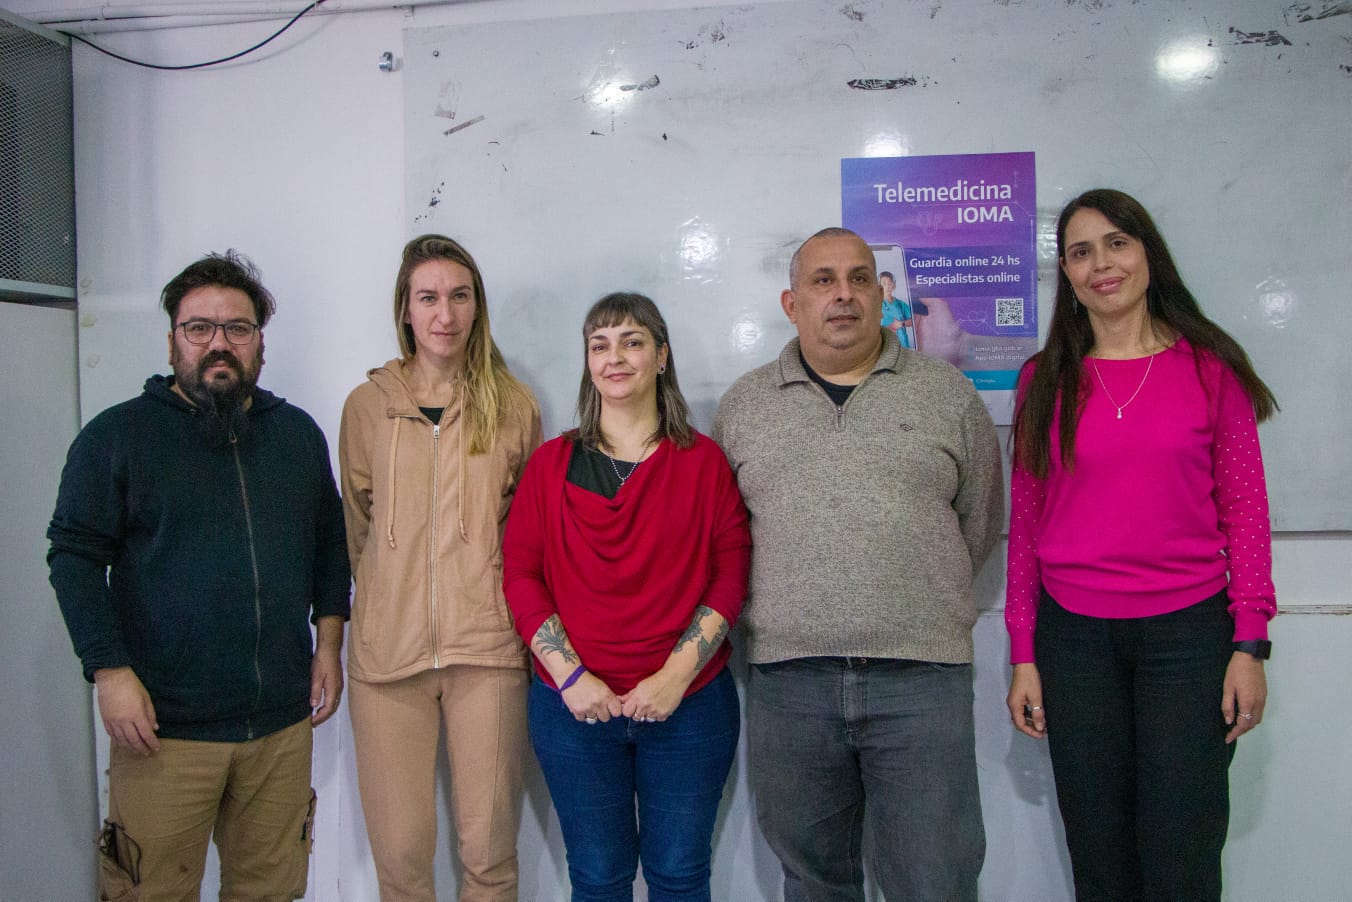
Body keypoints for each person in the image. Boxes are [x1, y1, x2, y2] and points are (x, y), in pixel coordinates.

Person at [47, 251, 351, 901]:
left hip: (279, 728)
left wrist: (329, 643)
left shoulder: (296, 435)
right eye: (199, 328)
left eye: (237, 328)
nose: (219, 343)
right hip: (164, 730)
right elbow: (73, 557)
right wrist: (109, 671)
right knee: (149, 892)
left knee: (272, 893)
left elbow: (330, 543)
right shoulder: (117, 437)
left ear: (260, 344)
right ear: (172, 342)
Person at [713, 228, 1003, 901]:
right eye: (824, 280)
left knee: (935, 881)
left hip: (921, 680)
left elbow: (980, 521)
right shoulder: (744, 406)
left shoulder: (947, 395)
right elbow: (725, 541)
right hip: (790, 683)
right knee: (814, 882)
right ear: (792, 303)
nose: (843, 294)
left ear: (881, 294)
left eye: (859, 278)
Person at [1004, 188, 1277, 901]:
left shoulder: (1210, 369)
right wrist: (1024, 653)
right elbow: (1026, 526)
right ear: (1066, 274)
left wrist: (1249, 644)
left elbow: (1246, 512)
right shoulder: (1043, 379)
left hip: (1189, 639)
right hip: (1075, 642)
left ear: (1148, 253)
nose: (1102, 264)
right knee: (1100, 854)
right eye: (1081, 252)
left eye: (1117, 243)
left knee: (1182, 852)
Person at [503, 292, 750, 902]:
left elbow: (730, 574)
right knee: (597, 878)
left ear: (661, 356)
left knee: (680, 875)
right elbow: (522, 576)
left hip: (689, 707)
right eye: (600, 345)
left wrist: (673, 678)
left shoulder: (704, 463)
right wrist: (570, 678)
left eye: (631, 342)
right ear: (588, 362)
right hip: (574, 713)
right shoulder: (549, 465)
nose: (614, 357)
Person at [339, 234, 541, 902]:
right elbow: (358, 528)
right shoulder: (365, 406)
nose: (444, 315)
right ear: (405, 308)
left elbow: (526, 537)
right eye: (428, 298)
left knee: (488, 855)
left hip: (488, 653)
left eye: (459, 296)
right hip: (386, 660)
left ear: (478, 306)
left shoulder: (514, 406)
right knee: (400, 859)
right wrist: (385, 599)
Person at [879, 270, 913, 349]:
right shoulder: (875, 305)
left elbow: (913, 321)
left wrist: (901, 324)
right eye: (884, 283)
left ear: (893, 285)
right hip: (885, 346)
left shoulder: (901, 304)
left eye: (889, 283)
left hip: (903, 345)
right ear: (879, 286)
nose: (887, 286)